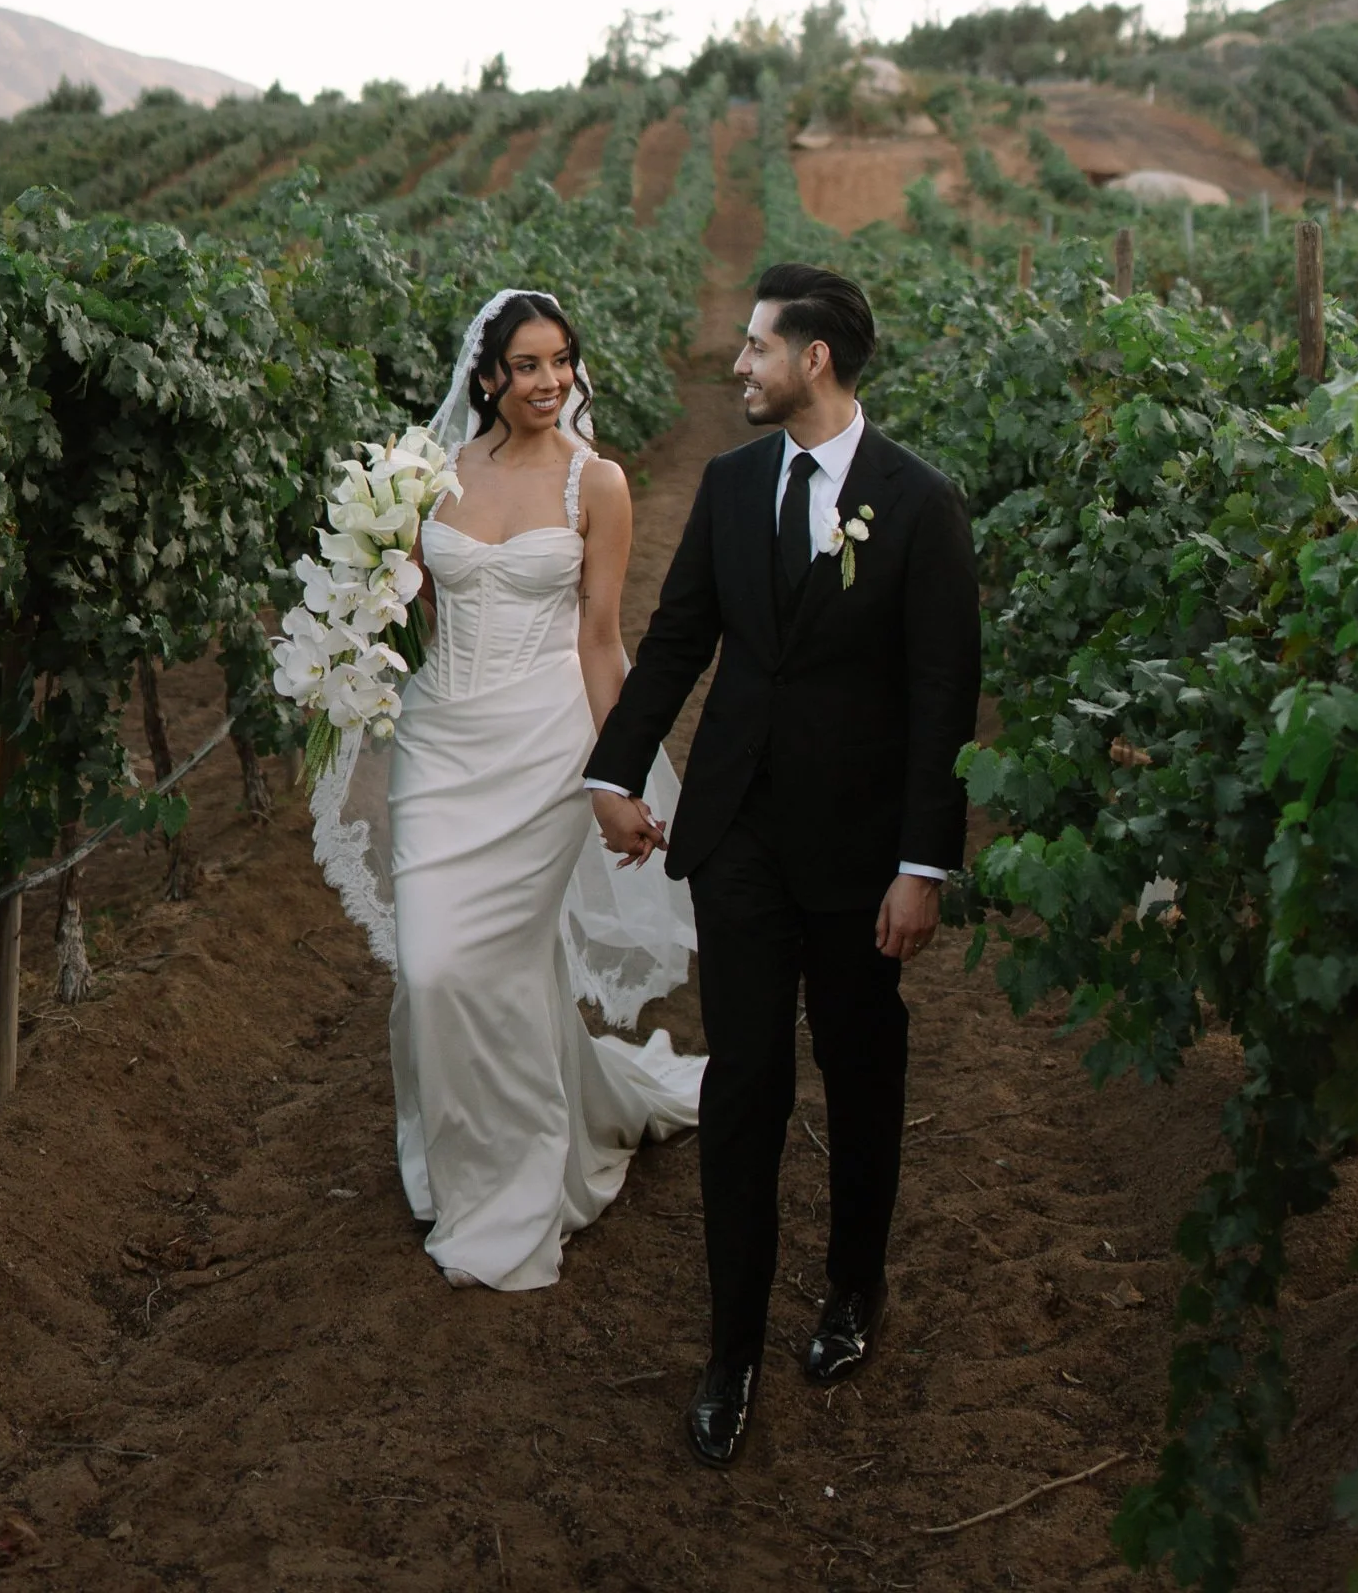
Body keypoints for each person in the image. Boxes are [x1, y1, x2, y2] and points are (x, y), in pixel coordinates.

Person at [584, 259, 983, 1466]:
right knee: (744, 1085)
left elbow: (940, 698)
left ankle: (853, 1291)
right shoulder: (729, 481)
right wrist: (615, 769)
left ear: (814, 357)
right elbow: (676, 638)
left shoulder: (922, 504)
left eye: (756, 346)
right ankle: (731, 1349)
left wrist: (923, 864)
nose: (738, 364)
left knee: (859, 1077)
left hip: (863, 854)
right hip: (741, 835)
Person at [310, 287, 702, 1291]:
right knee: (435, 964)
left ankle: (519, 1184)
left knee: (507, 960)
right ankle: (465, 1155)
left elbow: (600, 637)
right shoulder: (422, 479)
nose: (549, 380)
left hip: (546, 743)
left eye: (559, 360)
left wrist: (616, 770)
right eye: (526, 364)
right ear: (485, 376)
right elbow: (400, 604)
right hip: (440, 743)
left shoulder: (595, 483)